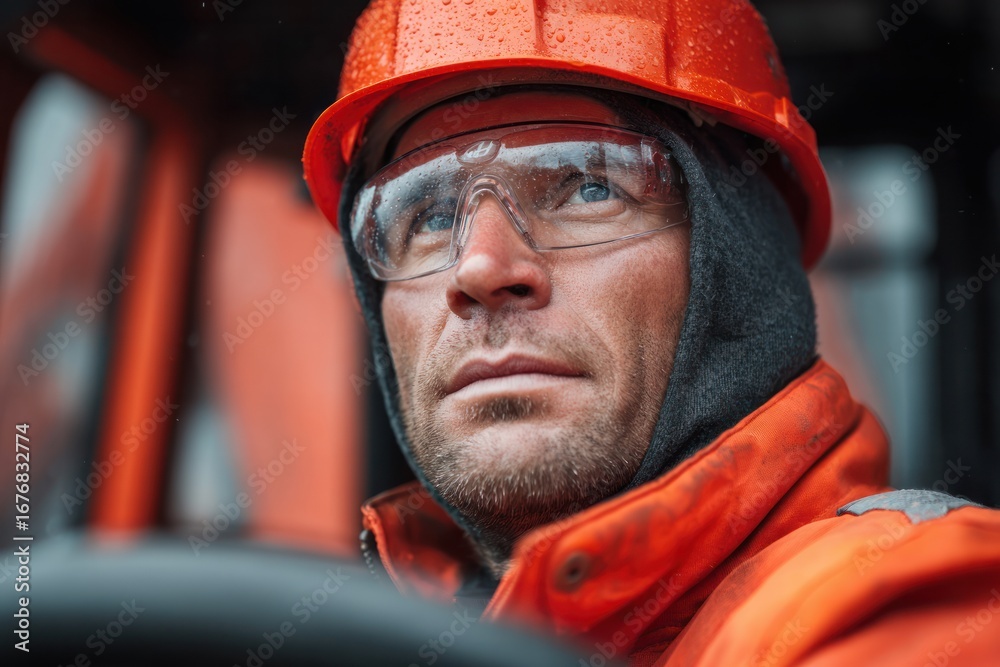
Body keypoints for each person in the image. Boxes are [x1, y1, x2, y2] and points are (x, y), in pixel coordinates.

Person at [303, 0, 1000, 664]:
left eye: (590, 186)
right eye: (424, 216)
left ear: (740, 265)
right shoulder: (380, 636)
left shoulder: (910, 611)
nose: (480, 267)